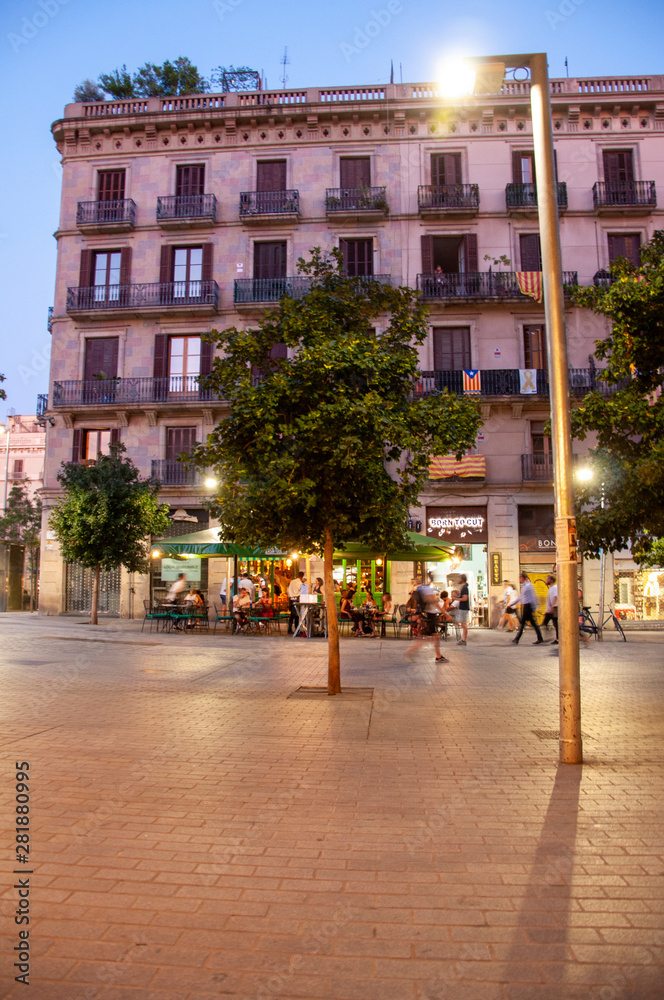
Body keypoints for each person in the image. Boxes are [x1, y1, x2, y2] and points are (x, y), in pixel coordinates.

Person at [405, 582, 448, 662]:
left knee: (433, 637)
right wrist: (445, 613)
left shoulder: (426, 589)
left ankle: (438, 656)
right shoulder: (428, 589)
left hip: (428, 615)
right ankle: (411, 651)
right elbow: (434, 602)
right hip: (429, 616)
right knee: (429, 638)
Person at [508, 572, 544, 645]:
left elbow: (533, 597)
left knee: (524, 623)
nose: (519, 579)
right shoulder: (524, 586)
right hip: (526, 606)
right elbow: (520, 597)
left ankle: (517, 639)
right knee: (532, 623)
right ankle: (539, 638)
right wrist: (512, 604)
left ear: (523, 578)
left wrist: (534, 606)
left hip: (528, 606)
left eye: (520, 578)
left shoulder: (528, 586)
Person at [543, 575, 559, 643]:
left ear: (552, 580)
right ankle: (553, 638)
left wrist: (552, 607)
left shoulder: (555, 588)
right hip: (550, 609)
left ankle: (557, 639)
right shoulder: (551, 588)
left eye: (548, 579)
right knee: (548, 623)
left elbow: (556, 597)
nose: (546, 580)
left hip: (554, 609)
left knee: (555, 624)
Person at [457, 574, 470, 645]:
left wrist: (456, 599)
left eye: (459, 578)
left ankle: (464, 640)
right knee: (462, 624)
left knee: (464, 624)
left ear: (462, 579)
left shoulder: (465, 588)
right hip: (462, 607)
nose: (458, 580)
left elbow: (465, 598)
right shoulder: (464, 587)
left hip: (463, 608)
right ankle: (463, 639)